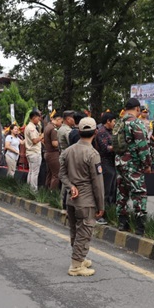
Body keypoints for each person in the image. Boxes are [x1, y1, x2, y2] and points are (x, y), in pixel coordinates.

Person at [59, 117, 105, 277]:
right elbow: (98, 183)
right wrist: (101, 206)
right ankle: (76, 266)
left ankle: (79, 258)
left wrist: (70, 186)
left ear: (79, 132)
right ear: (96, 132)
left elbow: (61, 174)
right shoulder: (93, 154)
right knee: (84, 232)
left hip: (71, 199)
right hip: (86, 200)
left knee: (74, 231)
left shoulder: (68, 151)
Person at [115, 98, 151, 235]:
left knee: (122, 192)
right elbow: (143, 146)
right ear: (137, 109)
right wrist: (147, 164)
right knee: (139, 194)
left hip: (120, 163)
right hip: (133, 164)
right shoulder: (136, 123)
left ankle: (122, 223)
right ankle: (140, 227)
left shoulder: (119, 122)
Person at [94, 112, 117, 208]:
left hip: (112, 162)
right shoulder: (101, 132)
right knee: (106, 189)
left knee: (113, 188)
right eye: (114, 121)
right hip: (105, 163)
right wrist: (118, 147)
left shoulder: (111, 131)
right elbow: (105, 148)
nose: (115, 123)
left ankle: (111, 209)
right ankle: (103, 210)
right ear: (108, 121)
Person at [24, 109, 44, 191]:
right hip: (34, 152)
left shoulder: (31, 126)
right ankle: (33, 190)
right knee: (35, 173)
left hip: (30, 152)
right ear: (34, 117)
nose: (39, 119)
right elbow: (35, 140)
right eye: (38, 117)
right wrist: (42, 136)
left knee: (31, 172)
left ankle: (29, 188)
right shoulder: (31, 128)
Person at [43, 113, 63, 190]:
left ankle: (47, 191)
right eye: (61, 122)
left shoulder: (47, 126)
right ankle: (53, 194)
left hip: (47, 153)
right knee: (56, 175)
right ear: (58, 120)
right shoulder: (53, 129)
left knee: (50, 174)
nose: (61, 124)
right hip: (53, 154)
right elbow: (54, 143)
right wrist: (61, 143)